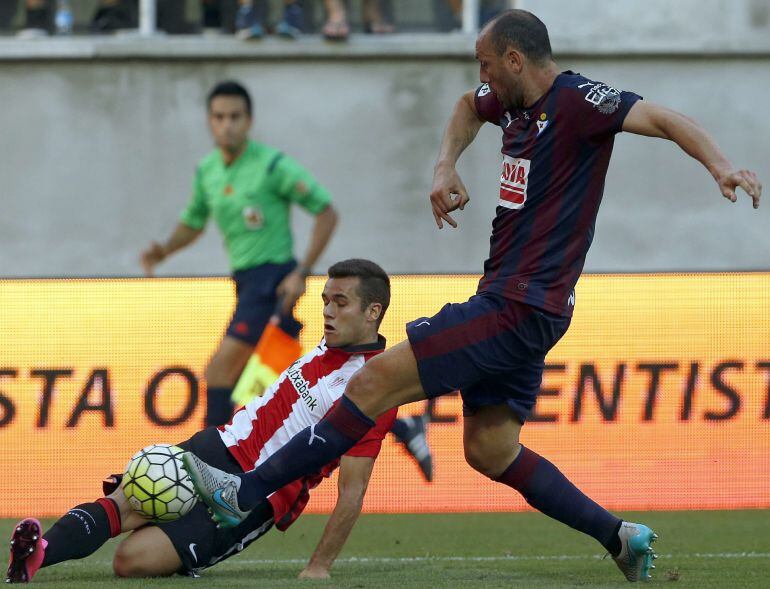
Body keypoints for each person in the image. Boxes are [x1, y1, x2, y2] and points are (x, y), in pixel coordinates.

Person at [183, 8, 763, 583]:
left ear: (515, 58)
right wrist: (444, 167)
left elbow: (660, 117)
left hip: (516, 305)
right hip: (524, 307)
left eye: (486, 64)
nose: (481, 77)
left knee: (370, 382)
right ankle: (619, 536)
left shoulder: (578, 102)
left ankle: (246, 492)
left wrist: (721, 166)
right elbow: (466, 107)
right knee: (489, 449)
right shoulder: (507, 103)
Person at [5, 259, 398, 583]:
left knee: (130, 562)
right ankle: (39, 553)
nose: (328, 311)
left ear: (372, 312)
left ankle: (173, 534)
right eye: (326, 300)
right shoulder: (326, 345)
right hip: (215, 447)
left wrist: (319, 567)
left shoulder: (374, 387)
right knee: (121, 503)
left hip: (255, 495)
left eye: (341, 302)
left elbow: (354, 489)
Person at [140, 80, 338, 428]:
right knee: (289, 384)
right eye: (219, 117)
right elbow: (194, 221)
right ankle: (395, 424)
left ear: (249, 120)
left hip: (273, 281)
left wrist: (301, 272)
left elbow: (326, 212)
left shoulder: (272, 165)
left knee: (219, 372)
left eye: (234, 116)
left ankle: (209, 465)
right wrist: (165, 250)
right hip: (246, 283)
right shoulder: (208, 171)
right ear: (209, 121)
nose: (226, 125)